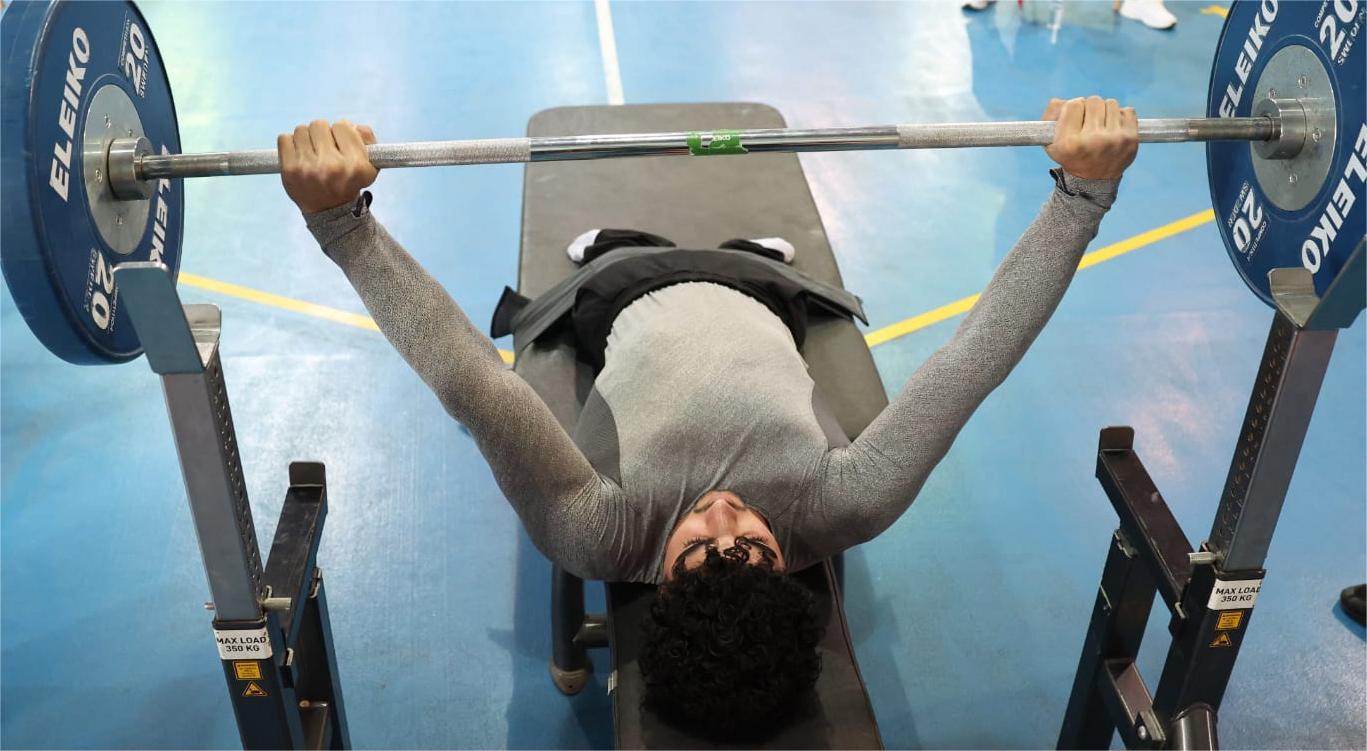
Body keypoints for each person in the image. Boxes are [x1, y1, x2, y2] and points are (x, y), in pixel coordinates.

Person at [277, 95, 1139, 738]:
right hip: (772, 297)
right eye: (753, 546)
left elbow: (476, 385)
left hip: (616, 297)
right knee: (765, 270)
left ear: (660, 584)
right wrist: (1081, 197)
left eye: (697, 548)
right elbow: (971, 363)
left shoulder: (599, 533)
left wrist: (340, 223)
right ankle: (746, 256)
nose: (724, 514)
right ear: (786, 571)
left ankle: (618, 244)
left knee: (607, 259)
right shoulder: (846, 504)